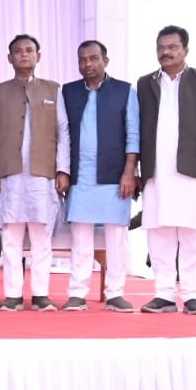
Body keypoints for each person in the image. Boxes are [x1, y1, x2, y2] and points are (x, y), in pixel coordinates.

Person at [136, 25, 196, 314]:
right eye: (161, 47)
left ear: (185, 50)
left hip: (195, 171)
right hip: (156, 172)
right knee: (159, 234)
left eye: (172, 47)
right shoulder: (145, 83)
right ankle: (164, 294)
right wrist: (136, 169)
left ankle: (192, 295)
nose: (166, 52)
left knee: (194, 235)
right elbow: (136, 129)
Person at [0, 34, 70, 312]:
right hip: (10, 176)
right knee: (11, 238)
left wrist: (63, 169)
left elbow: (63, 132)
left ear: (38, 56)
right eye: (18, 51)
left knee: (42, 237)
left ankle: (41, 294)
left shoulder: (53, 90)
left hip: (43, 176)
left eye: (29, 50)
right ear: (10, 58)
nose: (24, 55)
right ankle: (13, 295)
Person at [60, 40, 139, 312]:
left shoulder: (124, 91)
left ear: (106, 60)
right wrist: (63, 171)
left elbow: (133, 134)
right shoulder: (68, 92)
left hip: (114, 175)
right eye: (82, 59)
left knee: (116, 238)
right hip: (80, 176)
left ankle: (115, 293)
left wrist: (129, 172)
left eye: (93, 58)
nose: (87, 64)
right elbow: (62, 134)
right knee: (80, 238)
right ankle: (77, 293)